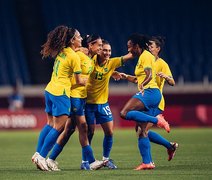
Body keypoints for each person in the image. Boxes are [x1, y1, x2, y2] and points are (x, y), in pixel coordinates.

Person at [41, 34, 106, 171]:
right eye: (99, 45)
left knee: (69, 130)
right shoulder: (79, 55)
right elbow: (74, 71)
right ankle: (91, 161)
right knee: (83, 126)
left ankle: (51, 159)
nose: (101, 48)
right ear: (91, 45)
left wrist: (114, 74)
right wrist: (78, 50)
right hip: (73, 95)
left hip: (82, 97)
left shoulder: (92, 58)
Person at [31, 25, 88, 171]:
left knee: (50, 124)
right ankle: (42, 157)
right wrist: (90, 80)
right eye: (79, 36)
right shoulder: (74, 57)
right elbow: (78, 81)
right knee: (59, 126)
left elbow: (72, 54)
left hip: (50, 89)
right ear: (72, 40)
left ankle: (37, 153)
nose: (81, 38)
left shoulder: (63, 51)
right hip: (61, 92)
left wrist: (79, 50)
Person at [120, 33, 170, 170]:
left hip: (150, 92)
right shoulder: (143, 57)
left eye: (130, 47)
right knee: (142, 131)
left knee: (124, 113)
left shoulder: (146, 56)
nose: (129, 50)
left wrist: (143, 85)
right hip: (149, 92)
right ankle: (147, 162)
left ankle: (157, 120)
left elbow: (148, 75)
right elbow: (139, 78)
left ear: (137, 46)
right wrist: (125, 77)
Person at [85, 40, 133, 169]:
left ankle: (106, 159)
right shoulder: (90, 60)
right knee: (89, 133)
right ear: (99, 50)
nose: (107, 53)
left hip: (103, 104)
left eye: (109, 51)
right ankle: (85, 161)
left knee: (110, 132)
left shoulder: (112, 63)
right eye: (105, 50)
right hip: (88, 104)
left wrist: (141, 45)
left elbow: (129, 56)